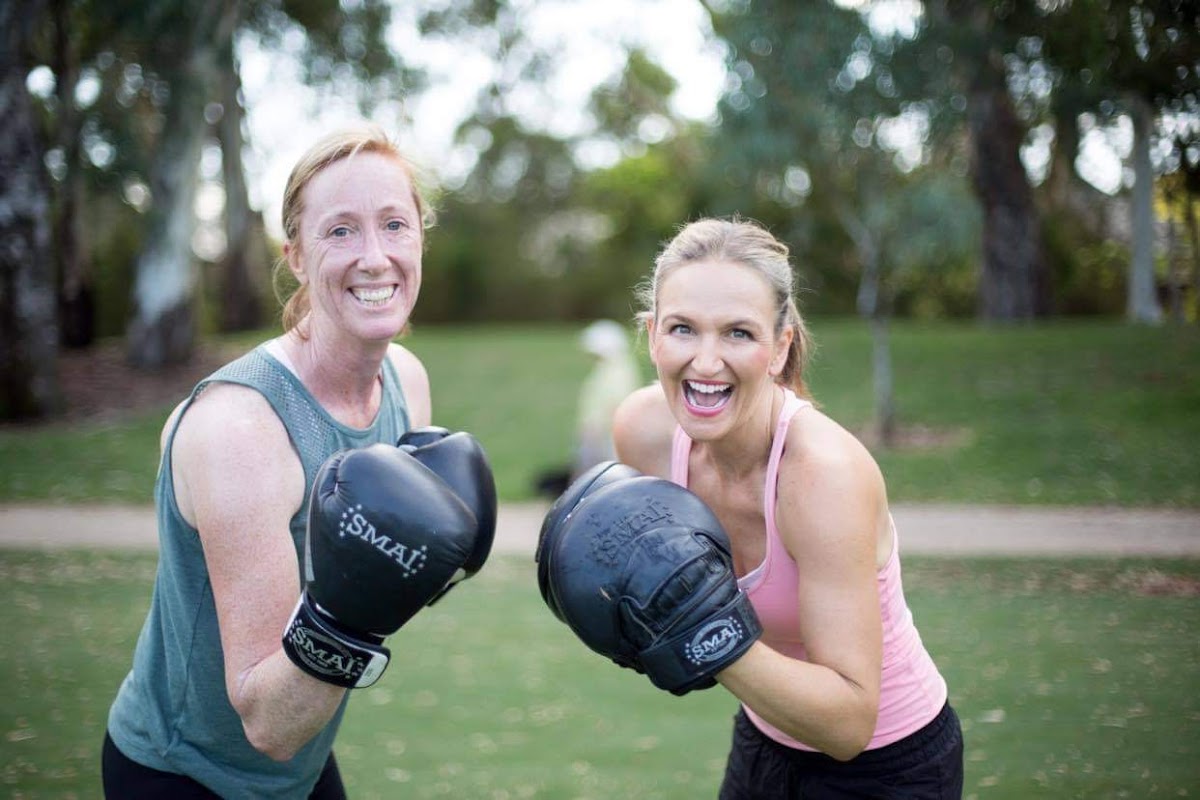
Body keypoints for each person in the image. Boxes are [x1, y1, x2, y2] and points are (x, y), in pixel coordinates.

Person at [102, 126, 495, 798]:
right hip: (184, 772)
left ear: (420, 240)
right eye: (340, 231)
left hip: (302, 764)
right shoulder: (239, 429)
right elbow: (268, 722)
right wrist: (360, 603)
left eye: (395, 225)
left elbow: (404, 567)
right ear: (296, 256)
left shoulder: (406, 379)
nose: (375, 257)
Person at [539, 217, 963, 798]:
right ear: (652, 335)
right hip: (765, 740)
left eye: (738, 333)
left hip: (888, 767)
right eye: (683, 329)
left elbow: (848, 724)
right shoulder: (645, 433)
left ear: (780, 345)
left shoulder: (822, 476)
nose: (706, 363)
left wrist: (703, 632)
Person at [573, 319, 641, 480]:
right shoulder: (607, 368)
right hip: (596, 430)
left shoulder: (619, 371)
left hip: (605, 433)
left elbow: (615, 402)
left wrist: (596, 430)